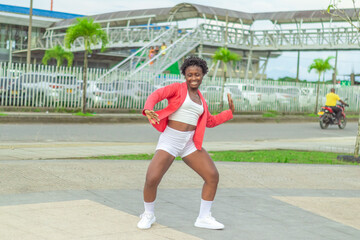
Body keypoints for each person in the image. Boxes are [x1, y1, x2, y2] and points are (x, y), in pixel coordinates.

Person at [138, 56, 235, 230]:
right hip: (170, 140)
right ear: (184, 75)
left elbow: (210, 121)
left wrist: (229, 113)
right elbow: (157, 94)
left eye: (197, 74)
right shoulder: (177, 89)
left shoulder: (201, 99)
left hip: (189, 142)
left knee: (212, 176)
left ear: (203, 75)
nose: (193, 78)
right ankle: (148, 214)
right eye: (189, 74)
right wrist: (148, 108)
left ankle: (204, 218)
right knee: (152, 178)